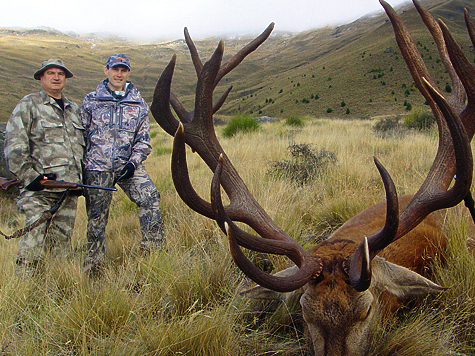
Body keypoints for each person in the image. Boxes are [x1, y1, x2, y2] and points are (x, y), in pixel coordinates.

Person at [80, 53, 165, 274]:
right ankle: (93, 266)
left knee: (150, 197)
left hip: (128, 166)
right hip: (96, 168)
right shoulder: (91, 100)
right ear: (106, 70)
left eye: (123, 70)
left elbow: (144, 141)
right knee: (96, 218)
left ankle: (153, 255)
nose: (119, 73)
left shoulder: (138, 103)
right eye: (115, 69)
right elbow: (79, 138)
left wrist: (132, 163)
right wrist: (80, 170)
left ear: (128, 72)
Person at [4, 58, 84, 276]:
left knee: (61, 247)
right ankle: (23, 292)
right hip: (39, 191)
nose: (56, 77)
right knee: (32, 245)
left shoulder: (74, 109)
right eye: (51, 73)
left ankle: (53, 290)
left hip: (67, 190)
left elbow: (80, 148)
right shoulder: (28, 105)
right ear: (41, 77)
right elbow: (14, 145)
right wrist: (30, 178)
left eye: (60, 73)